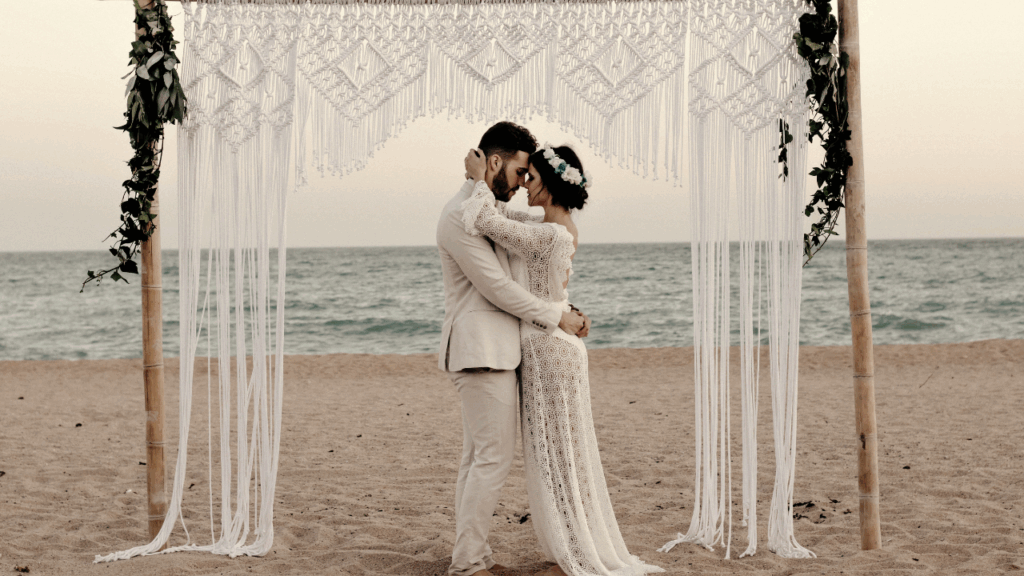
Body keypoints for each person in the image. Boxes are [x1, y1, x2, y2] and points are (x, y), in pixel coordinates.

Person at [462, 144, 664, 576]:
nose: (524, 184)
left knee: (560, 458)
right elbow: (504, 223)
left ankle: (574, 554)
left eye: (531, 177)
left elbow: (483, 219)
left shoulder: (551, 234)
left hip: (550, 353)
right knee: (556, 456)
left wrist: (479, 178)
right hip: (550, 347)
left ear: (551, 185)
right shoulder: (551, 227)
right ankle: (570, 546)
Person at [436, 122, 590, 576]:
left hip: (495, 351)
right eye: (521, 172)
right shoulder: (458, 215)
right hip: (481, 351)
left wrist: (563, 304)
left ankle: (471, 555)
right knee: (491, 460)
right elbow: (498, 287)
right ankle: (468, 562)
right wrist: (554, 316)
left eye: (531, 176)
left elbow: (536, 250)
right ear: (495, 163)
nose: (523, 182)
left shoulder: (487, 210)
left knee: (478, 459)